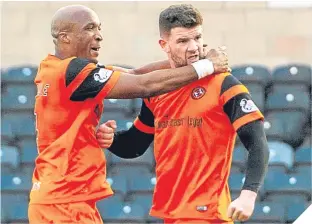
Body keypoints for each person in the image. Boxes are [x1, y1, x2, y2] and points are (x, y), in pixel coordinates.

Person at [28, 4, 230, 224]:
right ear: (65, 37)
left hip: (64, 198)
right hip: (62, 201)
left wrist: (187, 59)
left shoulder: (58, 69)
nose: (99, 36)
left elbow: (135, 73)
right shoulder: (70, 72)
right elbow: (143, 85)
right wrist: (207, 66)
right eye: (89, 28)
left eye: (99, 28)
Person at [98, 4, 270, 224]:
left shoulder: (223, 83)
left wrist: (248, 195)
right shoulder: (157, 89)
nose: (193, 47)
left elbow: (257, 141)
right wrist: (112, 139)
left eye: (197, 38)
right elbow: (136, 143)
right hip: (170, 214)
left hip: (207, 214)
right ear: (164, 44)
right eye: (182, 41)